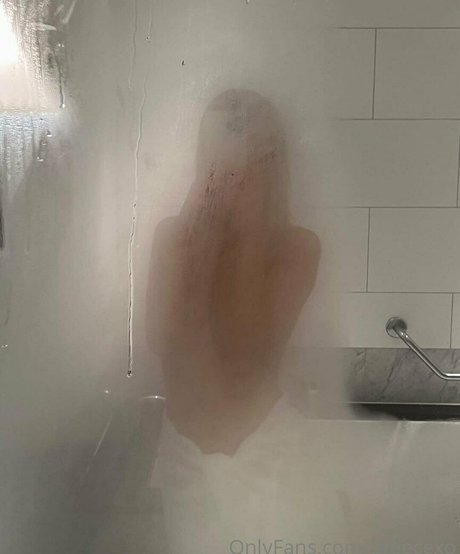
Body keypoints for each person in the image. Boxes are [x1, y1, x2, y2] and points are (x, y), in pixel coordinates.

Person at [146, 90, 397, 553]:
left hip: (268, 453)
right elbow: (161, 341)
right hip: (184, 456)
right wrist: (196, 239)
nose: (230, 172)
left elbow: (246, 358)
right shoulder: (172, 237)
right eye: (217, 154)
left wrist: (250, 234)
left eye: (248, 159)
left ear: (271, 165)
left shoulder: (298, 247)